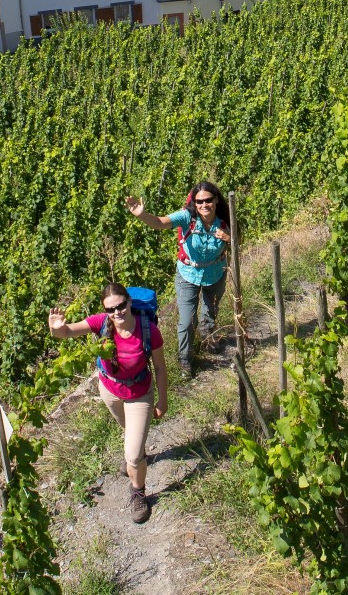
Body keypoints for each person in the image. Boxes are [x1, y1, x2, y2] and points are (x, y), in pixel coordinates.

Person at [49, 282, 166, 523]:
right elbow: (67, 332)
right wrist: (56, 329)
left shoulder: (148, 330)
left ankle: (138, 492)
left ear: (129, 302)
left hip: (139, 393)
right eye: (110, 309)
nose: (117, 313)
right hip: (109, 390)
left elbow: (161, 368)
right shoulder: (101, 322)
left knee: (132, 456)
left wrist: (162, 400)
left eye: (121, 306)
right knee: (129, 432)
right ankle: (136, 451)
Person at [123, 183, 230, 377]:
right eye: (199, 201)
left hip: (215, 272)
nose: (204, 204)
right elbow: (160, 223)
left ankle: (208, 339)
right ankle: (185, 360)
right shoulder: (186, 217)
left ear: (216, 200)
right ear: (194, 203)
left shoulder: (224, 220)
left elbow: (238, 239)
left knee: (211, 310)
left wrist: (230, 237)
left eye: (208, 200)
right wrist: (141, 215)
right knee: (187, 320)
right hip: (188, 275)